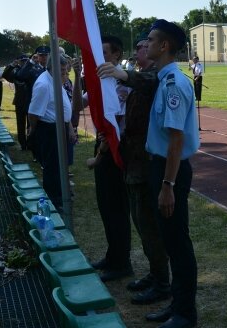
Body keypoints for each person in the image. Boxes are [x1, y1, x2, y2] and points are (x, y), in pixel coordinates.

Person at [99, 34, 172, 306]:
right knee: (141, 223)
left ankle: (163, 282)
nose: (141, 48)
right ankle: (155, 275)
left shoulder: (155, 75)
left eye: (143, 45)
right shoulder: (140, 75)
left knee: (150, 226)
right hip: (134, 160)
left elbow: (144, 82)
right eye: (142, 45)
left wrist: (122, 74)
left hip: (146, 161)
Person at [142, 19, 199, 328]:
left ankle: (185, 314)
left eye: (150, 40)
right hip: (162, 168)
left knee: (178, 243)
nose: (146, 44)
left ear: (164, 46)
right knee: (171, 240)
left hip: (169, 171)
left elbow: (176, 140)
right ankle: (177, 305)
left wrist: (167, 185)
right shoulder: (165, 79)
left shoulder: (174, 84)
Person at [86, 35, 133, 282]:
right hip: (104, 147)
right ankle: (112, 255)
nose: (100, 57)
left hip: (114, 151)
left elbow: (117, 127)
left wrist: (98, 156)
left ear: (116, 55)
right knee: (106, 207)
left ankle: (122, 262)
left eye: (105, 53)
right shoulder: (102, 81)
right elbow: (78, 107)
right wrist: (73, 78)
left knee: (116, 209)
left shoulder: (122, 84)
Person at [27, 55, 75, 209]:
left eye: (66, 71)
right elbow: (34, 113)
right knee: (52, 166)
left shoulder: (55, 79)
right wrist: (33, 130)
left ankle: (60, 193)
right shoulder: (44, 84)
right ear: (51, 68)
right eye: (62, 71)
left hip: (60, 127)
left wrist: (69, 127)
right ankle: (54, 200)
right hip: (49, 130)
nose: (65, 74)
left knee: (61, 164)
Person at [15, 47, 49, 150]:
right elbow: (20, 76)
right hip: (34, 103)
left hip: (48, 104)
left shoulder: (52, 68)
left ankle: (40, 148)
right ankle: (32, 148)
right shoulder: (32, 69)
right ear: (37, 56)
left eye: (45, 55)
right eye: (41, 55)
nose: (43, 58)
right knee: (33, 127)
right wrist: (30, 62)